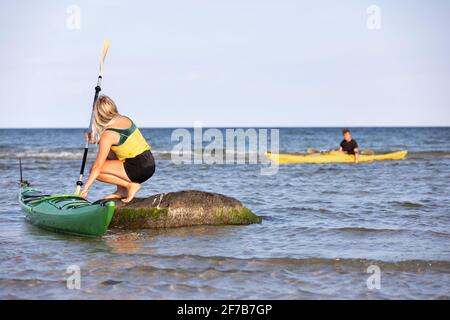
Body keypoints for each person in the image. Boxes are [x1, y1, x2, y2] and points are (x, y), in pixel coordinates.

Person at [80, 95, 155, 202]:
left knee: (94, 170)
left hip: (138, 168)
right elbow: (119, 141)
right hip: (149, 164)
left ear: (98, 115)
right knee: (110, 150)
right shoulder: (125, 119)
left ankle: (129, 186)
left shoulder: (107, 135)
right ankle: (121, 191)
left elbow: (97, 166)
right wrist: (96, 140)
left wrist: (85, 188)